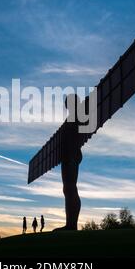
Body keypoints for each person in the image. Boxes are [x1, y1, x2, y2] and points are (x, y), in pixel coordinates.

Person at [54, 94, 82, 231]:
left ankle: (72, 225)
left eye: (69, 102)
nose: (66, 105)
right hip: (67, 156)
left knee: (71, 187)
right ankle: (69, 223)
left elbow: (76, 136)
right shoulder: (69, 119)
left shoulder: (78, 117)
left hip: (72, 155)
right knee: (67, 189)